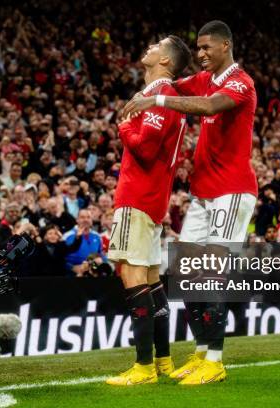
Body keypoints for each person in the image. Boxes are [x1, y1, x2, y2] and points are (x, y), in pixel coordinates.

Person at [123, 20, 257, 385]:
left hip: (232, 191)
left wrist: (156, 99)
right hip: (203, 193)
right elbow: (168, 84)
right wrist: (154, 77)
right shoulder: (202, 79)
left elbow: (210, 106)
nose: (200, 54)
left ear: (226, 45)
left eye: (206, 47)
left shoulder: (240, 83)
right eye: (196, 49)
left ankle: (215, 361)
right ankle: (200, 353)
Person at [105, 35, 191, 386]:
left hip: (137, 196)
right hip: (153, 198)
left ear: (166, 61)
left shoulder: (162, 98)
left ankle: (142, 369)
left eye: (157, 44)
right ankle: (164, 360)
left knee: (133, 276)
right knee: (153, 281)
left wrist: (123, 125)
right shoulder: (167, 98)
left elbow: (144, 147)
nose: (150, 46)